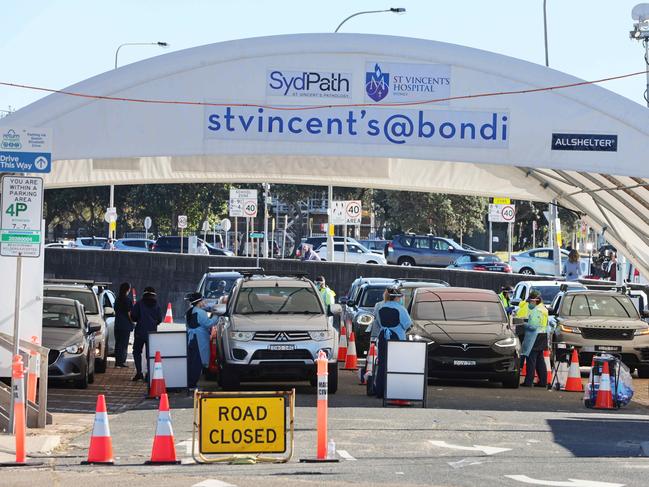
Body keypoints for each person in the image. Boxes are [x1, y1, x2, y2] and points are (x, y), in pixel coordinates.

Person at [372, 285, 413, 398]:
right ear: (396, 297)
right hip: (396, 338)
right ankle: (394, 391)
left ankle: (380, 391)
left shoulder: (380, 307)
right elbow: (408, 324)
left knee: (382, 363)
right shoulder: (400, 309)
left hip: (383, 337)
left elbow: (379, 323)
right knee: (396, 365)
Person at [185, 292, 219, 389]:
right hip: (199, 340)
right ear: (199, 302)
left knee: (191, 362)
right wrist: (217, 315)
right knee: (197, 363)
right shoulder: (201, 312)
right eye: (203, 300)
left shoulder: (190, 311)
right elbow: (208, 324)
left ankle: (190, 383)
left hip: (191, 338)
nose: (204, 302)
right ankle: (192, 385)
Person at [131, 287, 163, 381]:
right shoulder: (156, 305)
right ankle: (149, 375)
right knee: (150, 354)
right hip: (152, 333)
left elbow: (134, 317)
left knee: (137, 351)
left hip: (140, 332)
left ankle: (139, 372)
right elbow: (160, 319)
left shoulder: (139, 304)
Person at [520, 290, 549, 388]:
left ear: (535, 301)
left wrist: (523, 323)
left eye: (530, 302)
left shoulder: (537, 310)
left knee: (531, 359)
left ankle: (528, 381)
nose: (529, 304)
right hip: (542, 335)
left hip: (535, 336)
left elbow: (533, 326)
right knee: (540, 360)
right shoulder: (543, 308)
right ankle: (543, 381)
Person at [113, 282, 134, 368]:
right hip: (125, 325)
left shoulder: (117, 299)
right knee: (123, 344)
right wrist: (132, 322)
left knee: (118, 343)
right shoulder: (128, 300)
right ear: (127, 290)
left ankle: (117, 362)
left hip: (117, 324)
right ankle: (121, 362)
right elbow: (129, 313)